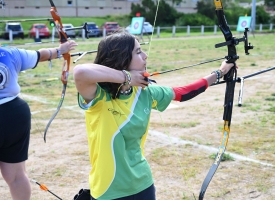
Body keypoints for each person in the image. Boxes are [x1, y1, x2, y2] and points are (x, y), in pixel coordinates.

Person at [73, 29, 234, 200]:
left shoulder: (145, 92)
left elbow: (183, 92)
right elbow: (80, 72)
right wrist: (127, 77)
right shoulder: (99, 96)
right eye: (138, 52)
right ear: (122, 58)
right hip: (108, 191)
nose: (145, 56)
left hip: (143, 185)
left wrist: (220, 72)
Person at [0, 40, 77, 200]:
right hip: (14, 113)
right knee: (16, 176)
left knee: (17, 176)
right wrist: (60, 50)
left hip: (12, 113)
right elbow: (41, 55)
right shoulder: (10, 53)